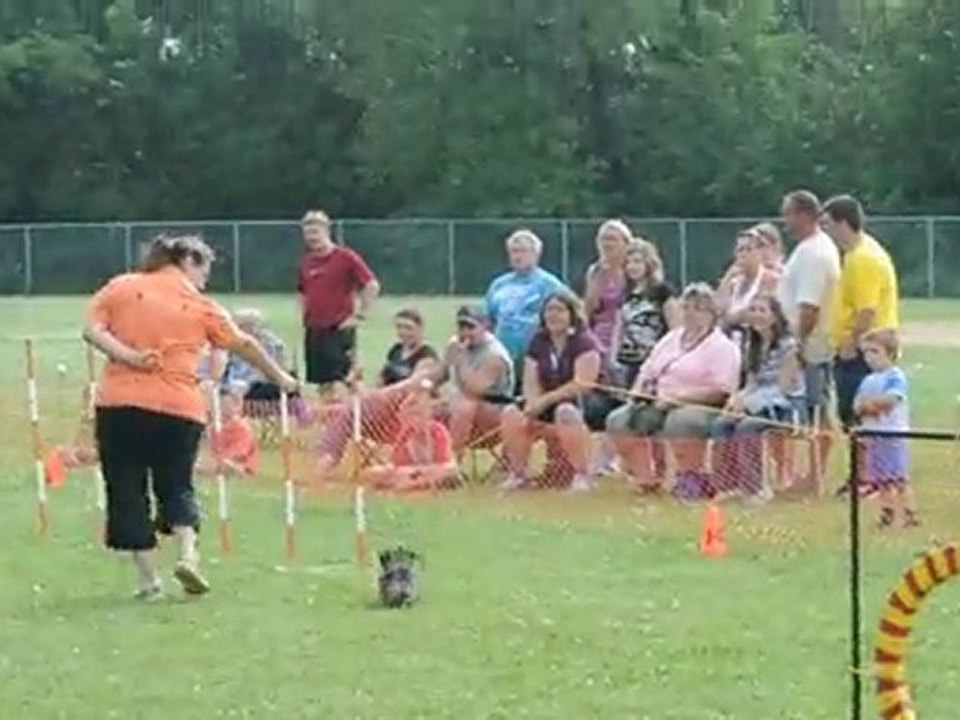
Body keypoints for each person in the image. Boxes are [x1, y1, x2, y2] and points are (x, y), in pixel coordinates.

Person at [84, 234, 298, 600]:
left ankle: (150, 583)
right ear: (188, 262)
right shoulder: (201, 305)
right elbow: (243, 344)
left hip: (120, 405)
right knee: (177, 485)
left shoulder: (121, 287)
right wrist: (281, 377)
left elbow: (92, 331)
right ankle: (188, 554)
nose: (205, 280)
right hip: (179, 407)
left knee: (126, 490)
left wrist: (130, 357)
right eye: (205, 270)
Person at [605, 283, 740, 498]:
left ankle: (691, 477)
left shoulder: (722, 346)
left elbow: (722, 389)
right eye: (685, 307)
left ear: (711, 314)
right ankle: (645, 478)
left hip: (700, 405)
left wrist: (679, 398)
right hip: (658, 401)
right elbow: (647, 369)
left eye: (697, 309)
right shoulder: (671, 338)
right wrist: (638, 391)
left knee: (680, 422)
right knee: (618, 420)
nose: (689, 313)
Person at [499, 292, 602, 492]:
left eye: (560, 310)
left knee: (565, 412)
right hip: (546, 400)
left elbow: (583, 383)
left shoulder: (584, 342)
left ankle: (582, 475)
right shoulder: (539, 341)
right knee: (511, 413)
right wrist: (532, 402)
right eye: (549, 310)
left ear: (572, 315)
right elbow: (531, 379)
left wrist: (545, 401)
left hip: (582, 401)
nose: (553, 315)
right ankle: (518, 474)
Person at [709, 295, 804, 502]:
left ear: (774, 317)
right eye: (752, 310)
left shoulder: (788, 346)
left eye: (762, 310)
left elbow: (784, 388)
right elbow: (751, 383)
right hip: (757, 400)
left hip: (784, 406)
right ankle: (727, 484)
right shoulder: (751, 344)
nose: (756, 315)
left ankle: (755, 488)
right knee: (721, 424)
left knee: (747, 427)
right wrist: (737, 399)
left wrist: (750, 404)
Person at [779, 189, 841, 494]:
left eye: (788, 213)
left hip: (815, 345)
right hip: (809, 342)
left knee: (818, 409)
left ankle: (815, 478)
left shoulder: (815, 253)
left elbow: (809, 306)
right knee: (814, 407)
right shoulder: (808, 248)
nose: (784, 220)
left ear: (803, 215)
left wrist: (799, 343)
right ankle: (811, 474)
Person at [821, 195, 899, 432]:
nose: (825, 231)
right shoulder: (858, 253)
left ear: (842, 223)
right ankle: (862, 467)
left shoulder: (862, 258)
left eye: (827, 224)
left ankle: (863, 468)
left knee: (856, 416)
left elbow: (866, 310)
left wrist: (851, 345)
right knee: (851, 416)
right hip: (861, 350)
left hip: (862, 354)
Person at [298, 209, 380, 389]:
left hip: (338, 328)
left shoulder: (345, 257)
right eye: (307, 233)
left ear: (327, 231)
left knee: (347, 380)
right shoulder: (307, 261)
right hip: (314, 329)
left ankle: (362, 415)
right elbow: (302, 291)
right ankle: (329, 416)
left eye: (315, 232)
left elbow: (371, 285)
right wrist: (304, 316)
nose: (312, 237)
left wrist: (360, 316)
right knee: (323, 383)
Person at [484, 229, 566, 393]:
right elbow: (488, 320)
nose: (517, 256)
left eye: (522, 251)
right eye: (513, 251)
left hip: (535, 355)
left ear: (536, 254)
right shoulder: (498, 285)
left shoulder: (549, 285)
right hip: (503, 354)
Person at [853, 328, 918, 528]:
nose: (869, 357)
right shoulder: (867, 380)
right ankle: (886, 511)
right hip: (874, 436)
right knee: (881, 478)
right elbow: (857, 404)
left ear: (890, 353)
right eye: (866, 352)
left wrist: (872, 405)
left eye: (875, 351)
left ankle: (909, 512)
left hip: (893, 435)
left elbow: (892, 399)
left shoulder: (894, 376)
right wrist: (862, 407)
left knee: (898, 477)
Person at [435, 305, 515, 455]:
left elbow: (474, 390)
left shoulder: (494, 355)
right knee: (421, 406)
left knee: (465, 406)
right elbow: (440, 375)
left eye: (471, 327)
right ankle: (420, 464)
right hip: (457, 409)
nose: (465, 332)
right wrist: (422, 388)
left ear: (485, 326)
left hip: (493, 419)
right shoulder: (455, 344)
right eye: (461, 326)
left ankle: (452, 463)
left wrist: (459, 359)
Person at [359, 381, 458, 493]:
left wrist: (416, 471)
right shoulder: (406, 433)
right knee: (374, 472)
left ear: (427, 415)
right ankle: (413, 484)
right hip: (409, 472)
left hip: (432, 470)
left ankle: (410, 485)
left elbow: (443, 464)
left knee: (447, 470)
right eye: (410, 417)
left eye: (418, 415)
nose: (414, 420)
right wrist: (399, 471)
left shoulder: (438, 431)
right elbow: (395, 464)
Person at [717, 227, 781, 368]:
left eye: (749, 249)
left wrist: (735, 317)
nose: (744, 254)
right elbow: (718, 314)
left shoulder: (771, 281)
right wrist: (727, 278)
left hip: (757, 349)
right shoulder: (734, 283)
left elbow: (758, 315)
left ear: (759, 252)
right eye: (740, 250)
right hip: (731, 348)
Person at [584, 219, 631, 360]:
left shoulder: (632, 269)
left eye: (612, 239)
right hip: (600, 332)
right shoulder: (595, 271)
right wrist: (599, 276)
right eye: (603, 239)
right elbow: (590, 309)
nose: (607, 244)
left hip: (627, 332)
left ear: (625, 243)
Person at [196, 383, 259, 477]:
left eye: (226, 404)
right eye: (221, 405)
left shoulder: (241, 428)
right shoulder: (212, 425)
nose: (223, 409)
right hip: (217, 460)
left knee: (225, 464)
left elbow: (239, 452)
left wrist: (218, 459)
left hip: (238, 464)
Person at [226, 308, 289, 401]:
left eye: (238, 326)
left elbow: (274, 371)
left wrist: (248, 384)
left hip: (260, 384)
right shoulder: (229, 342)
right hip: (234, 384)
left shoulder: (272, 344)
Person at [379, 308, 439, 387]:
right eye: (399, 327)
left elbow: (413, 385)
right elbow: (381, 378)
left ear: (420, 328)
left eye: (408, 328)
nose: (403, 332)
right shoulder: (396, 350)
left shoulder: (426, 356)